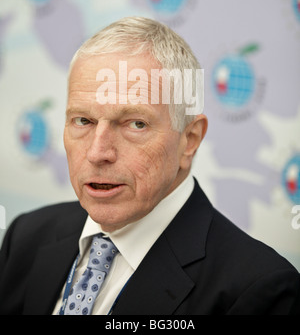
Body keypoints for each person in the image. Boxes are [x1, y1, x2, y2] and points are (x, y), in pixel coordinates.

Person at [0, 16, 299, 315]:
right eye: (83, 120)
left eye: (135, 124)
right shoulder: (25, 237)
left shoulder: (258, 291)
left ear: (190, 140)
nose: (97, 152)